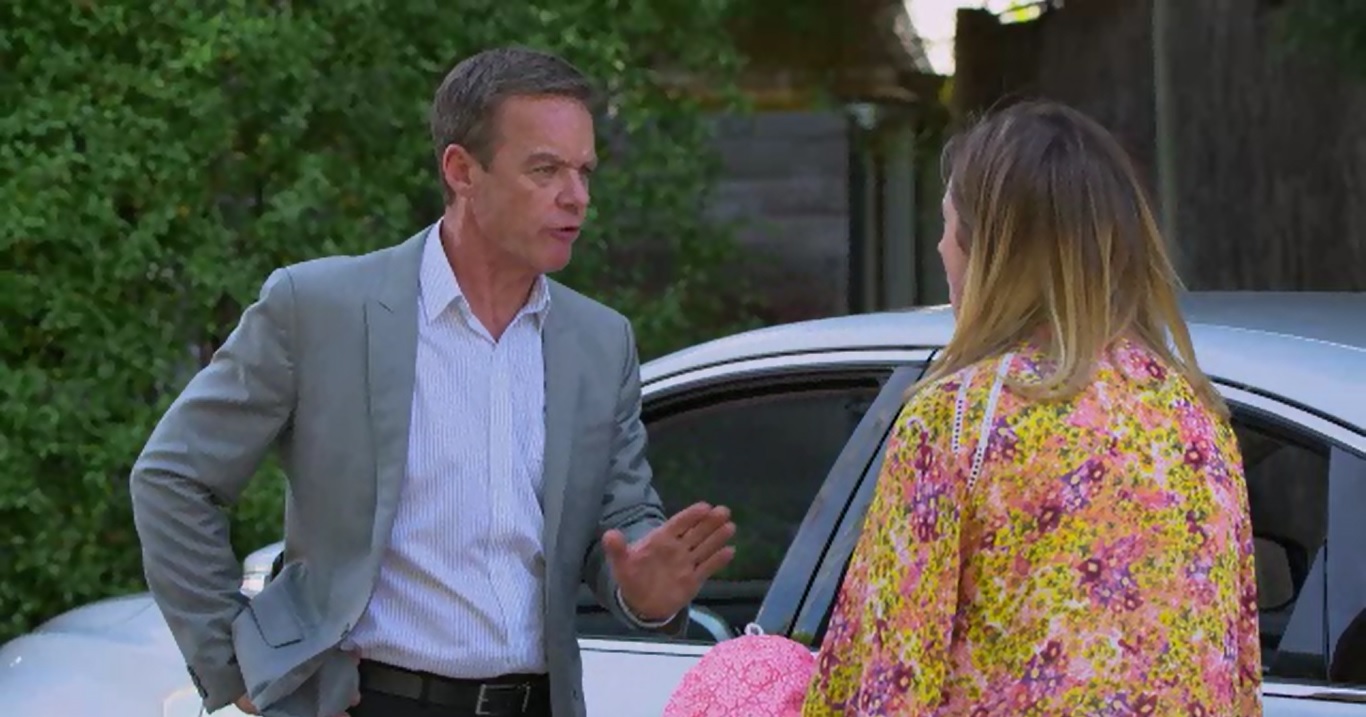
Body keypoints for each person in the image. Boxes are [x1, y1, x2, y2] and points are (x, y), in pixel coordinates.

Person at [130, 46, 737, 717]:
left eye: (584, 171)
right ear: (461, 171)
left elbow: (619, 524)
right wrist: (232, 663)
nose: (577, 196)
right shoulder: (320, 308)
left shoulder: (600, 341)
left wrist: (643, 593)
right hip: (370, 699)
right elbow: (173, 477)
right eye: (545, 170)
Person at [802, 101, 1262, 715]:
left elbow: (892, 676)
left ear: (993, 250)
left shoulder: (958, 419)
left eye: (949, 225)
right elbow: (1236, 668)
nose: (940, 247)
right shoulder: (1196, 418)